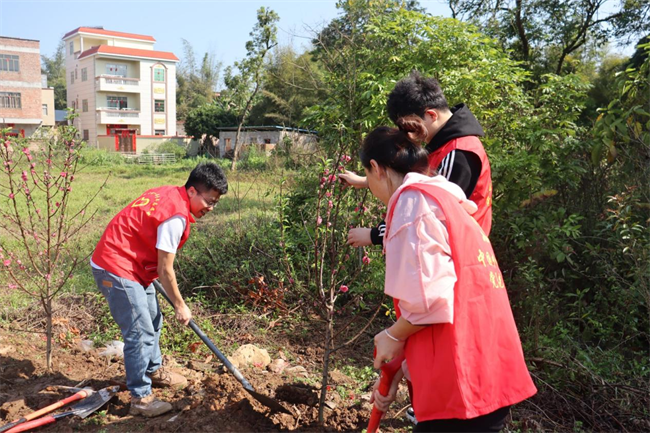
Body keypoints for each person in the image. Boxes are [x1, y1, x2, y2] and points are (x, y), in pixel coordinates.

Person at [361, 120, 536, 432]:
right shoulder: (445, 200)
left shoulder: (411, 203)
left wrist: (393, 335)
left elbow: (430, 301)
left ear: (376, 168)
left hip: (461, 379)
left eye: (366, 176)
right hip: (486, 368)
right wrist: (398, 368)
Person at [90, 162, 228, 417]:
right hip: (115, 265)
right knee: (139, 332)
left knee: (153, 319)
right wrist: (180, 304)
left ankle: (153, 370)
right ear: (192, 191)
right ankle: (140, 398)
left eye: (215, 203)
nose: (211, 208)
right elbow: (165, 270)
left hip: (134, 263)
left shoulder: (170, 193)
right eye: (209, 201)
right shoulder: (175, 217)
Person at [341, 71, 492, 248]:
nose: (409, 135)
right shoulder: (441, 143)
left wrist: (375, 235)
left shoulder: (459, 153)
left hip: (459, 252)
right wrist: (366, 181)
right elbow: (418, 182)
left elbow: (427, 212)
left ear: (431, 115)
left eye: (410, 127)